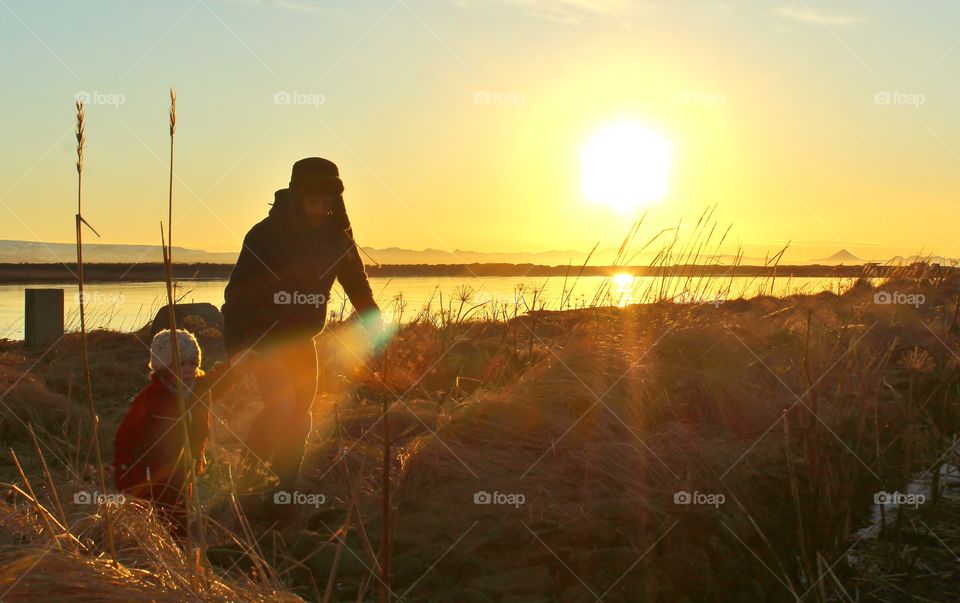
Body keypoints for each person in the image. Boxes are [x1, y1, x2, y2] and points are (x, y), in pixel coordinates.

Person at [222, 157, 383, 496]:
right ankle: (248, 477)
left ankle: (285, 487)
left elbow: (355, 281)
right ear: (297, 196)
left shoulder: (336, 237)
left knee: (301, 414)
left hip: (303, 340)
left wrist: (372, 317)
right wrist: (237, 346)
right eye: (313, 201)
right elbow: (237, 294)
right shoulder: (265, 235)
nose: (319, 209)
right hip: (265, 338)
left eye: (326, 202)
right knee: (281, 408)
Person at [113, 328, 239, 537]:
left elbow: (220, 381)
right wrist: (125, 477)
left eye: (193, 363)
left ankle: (182, 554)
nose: (189, 368)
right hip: (156, 472)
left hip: (186, 466)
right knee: (166, 517)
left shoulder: (197, 388)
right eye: (182, 363)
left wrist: (237, 365)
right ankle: (168, 554)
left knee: (181, 513)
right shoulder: (152, 399)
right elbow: (126, 439)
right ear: (165, 366)